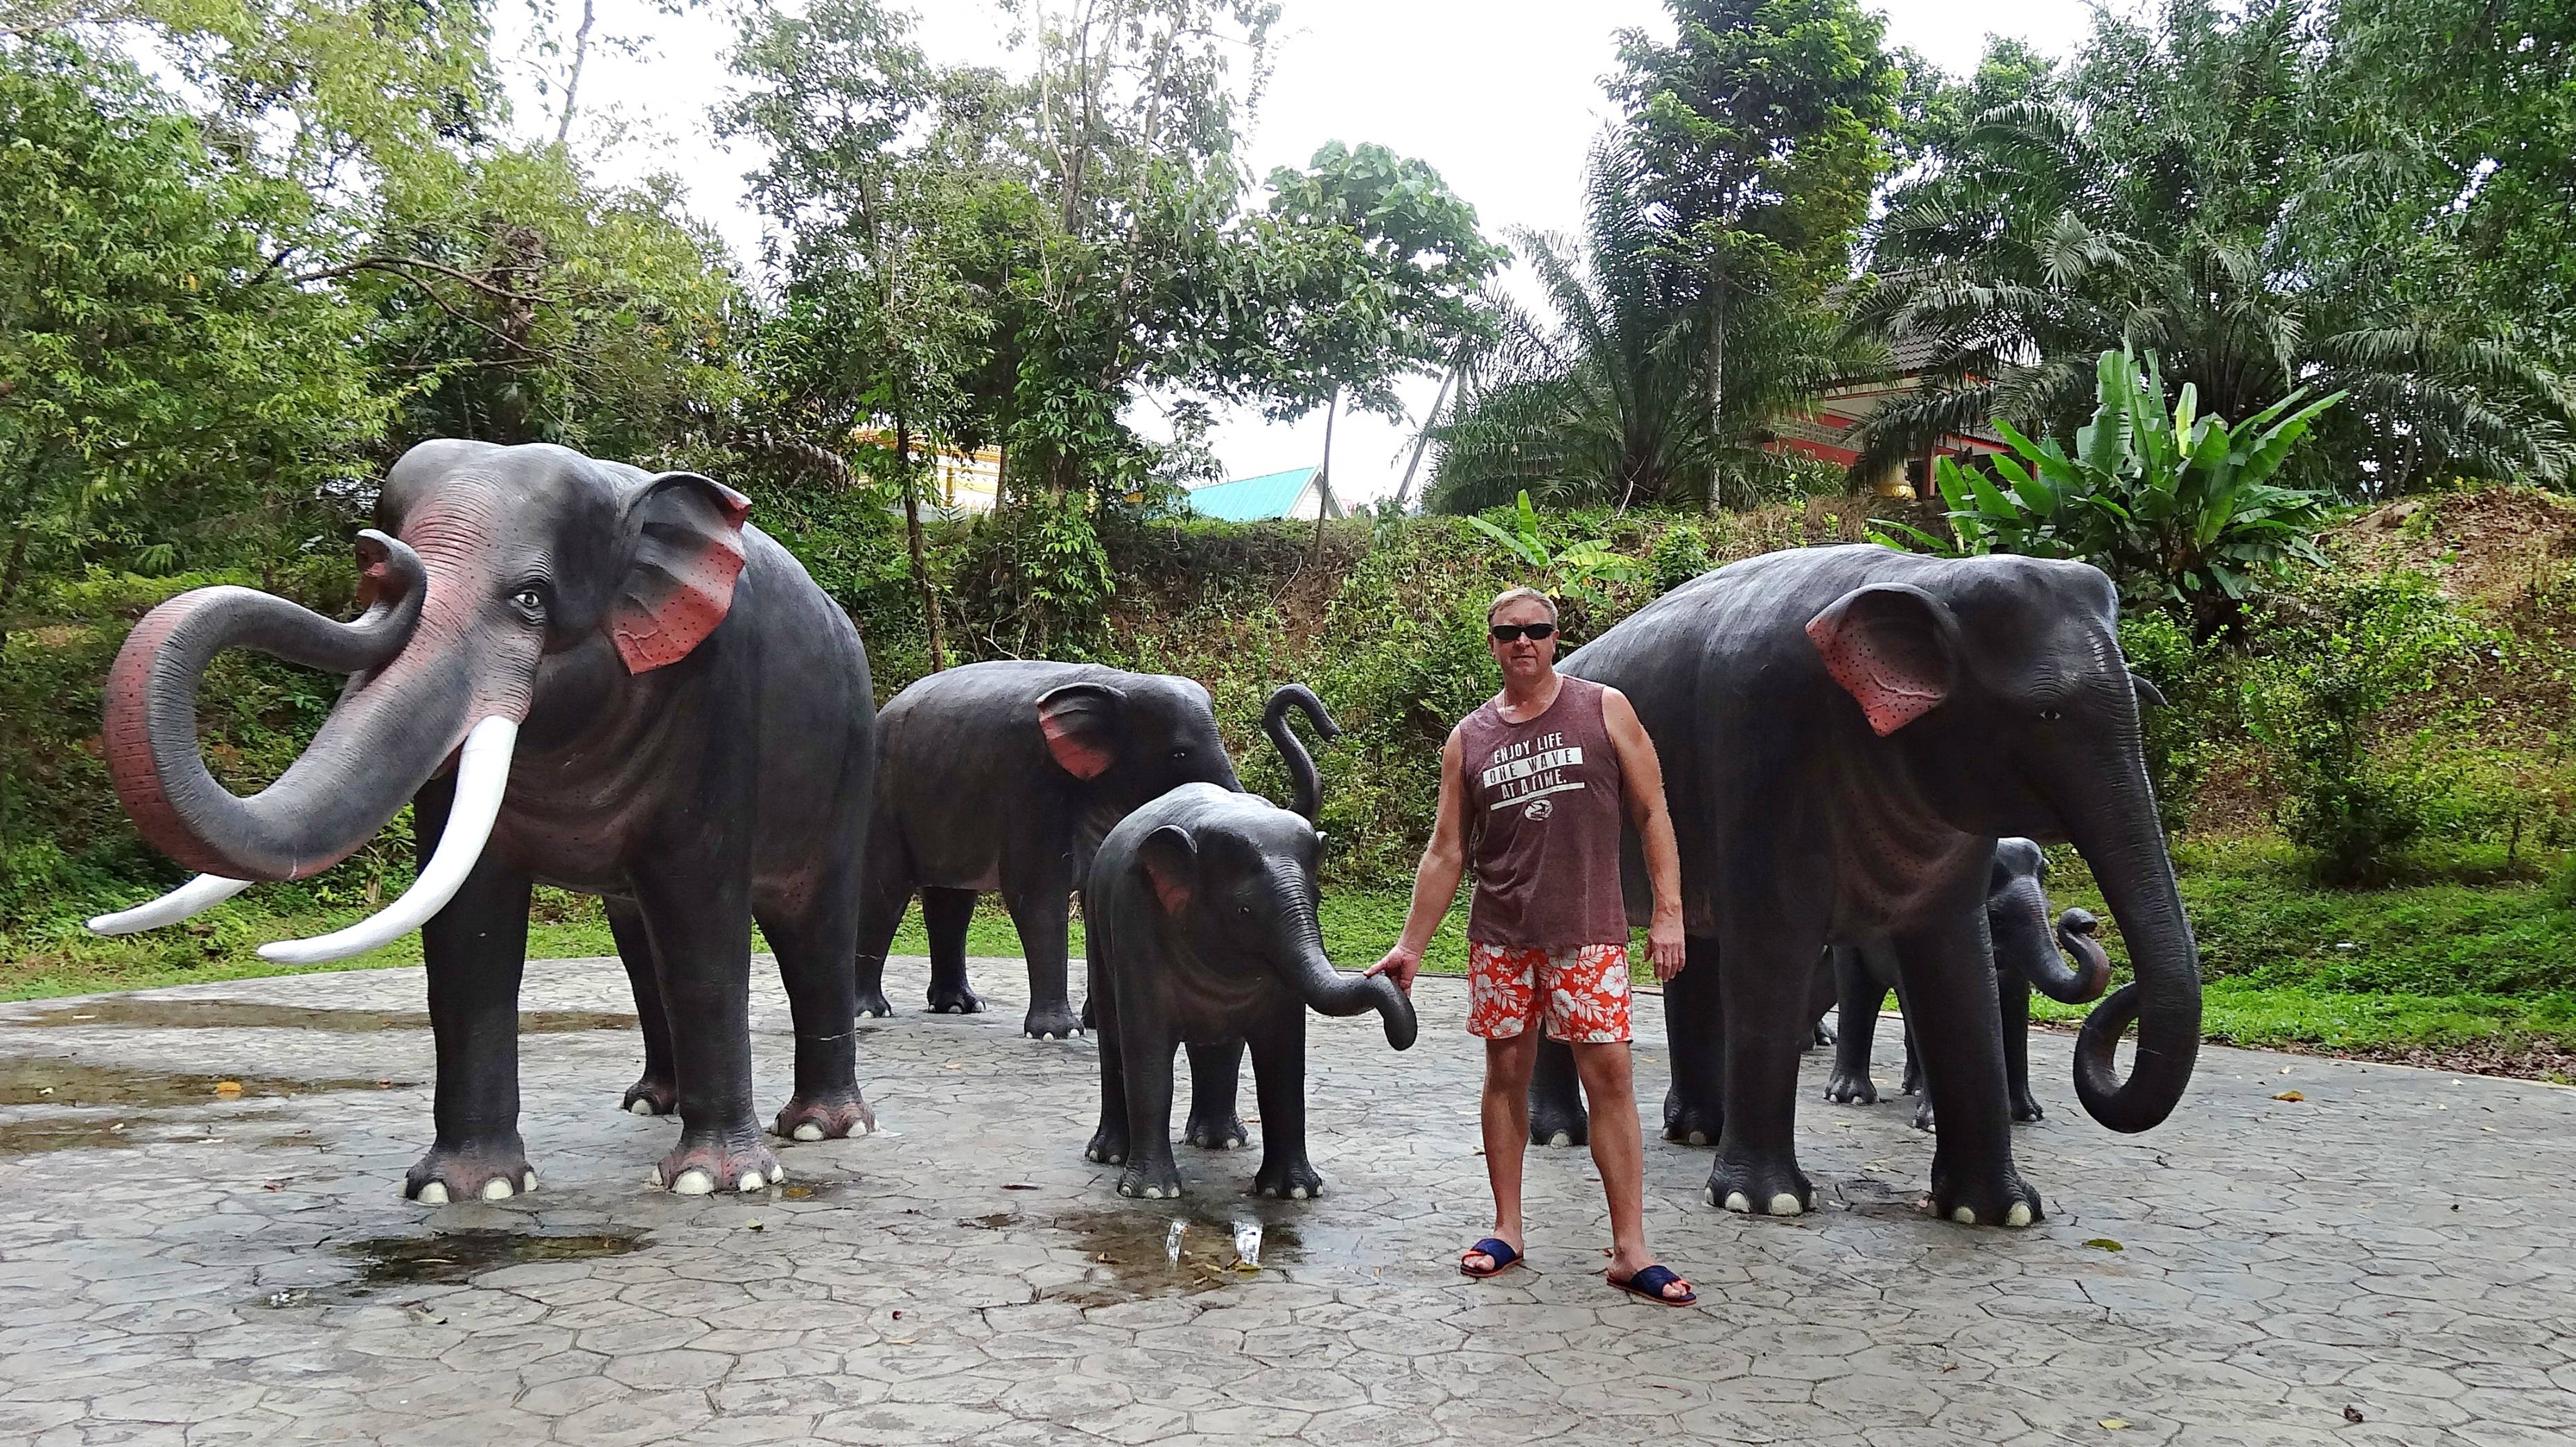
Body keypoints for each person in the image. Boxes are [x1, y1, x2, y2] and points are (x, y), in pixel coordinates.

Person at [1369, 586, 1696, 1306]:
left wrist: (1668, 912)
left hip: (1588, 933)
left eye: (1537, 630)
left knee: (1608, 1079)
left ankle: (1629, 1248)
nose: (1524, 642)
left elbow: (1653, 813)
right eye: (1509, 632)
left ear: (1555, 638)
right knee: (1506, 1073)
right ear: (1491, 644)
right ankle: (1508, 1229)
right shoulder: (1469, 738)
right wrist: (1411, 946)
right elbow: (1447, 850)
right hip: (1502, 937)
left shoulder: (1604, 708)